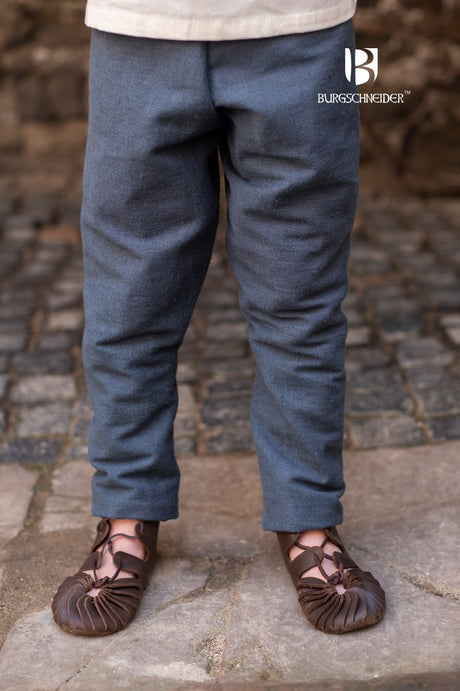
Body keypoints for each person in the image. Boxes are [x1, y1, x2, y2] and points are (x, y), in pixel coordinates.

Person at [52, 0, 386, 637]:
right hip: (138, 28)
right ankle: (126, 512)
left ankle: (309, 518)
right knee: (128, 302)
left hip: (305, 30)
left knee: (301, 300)